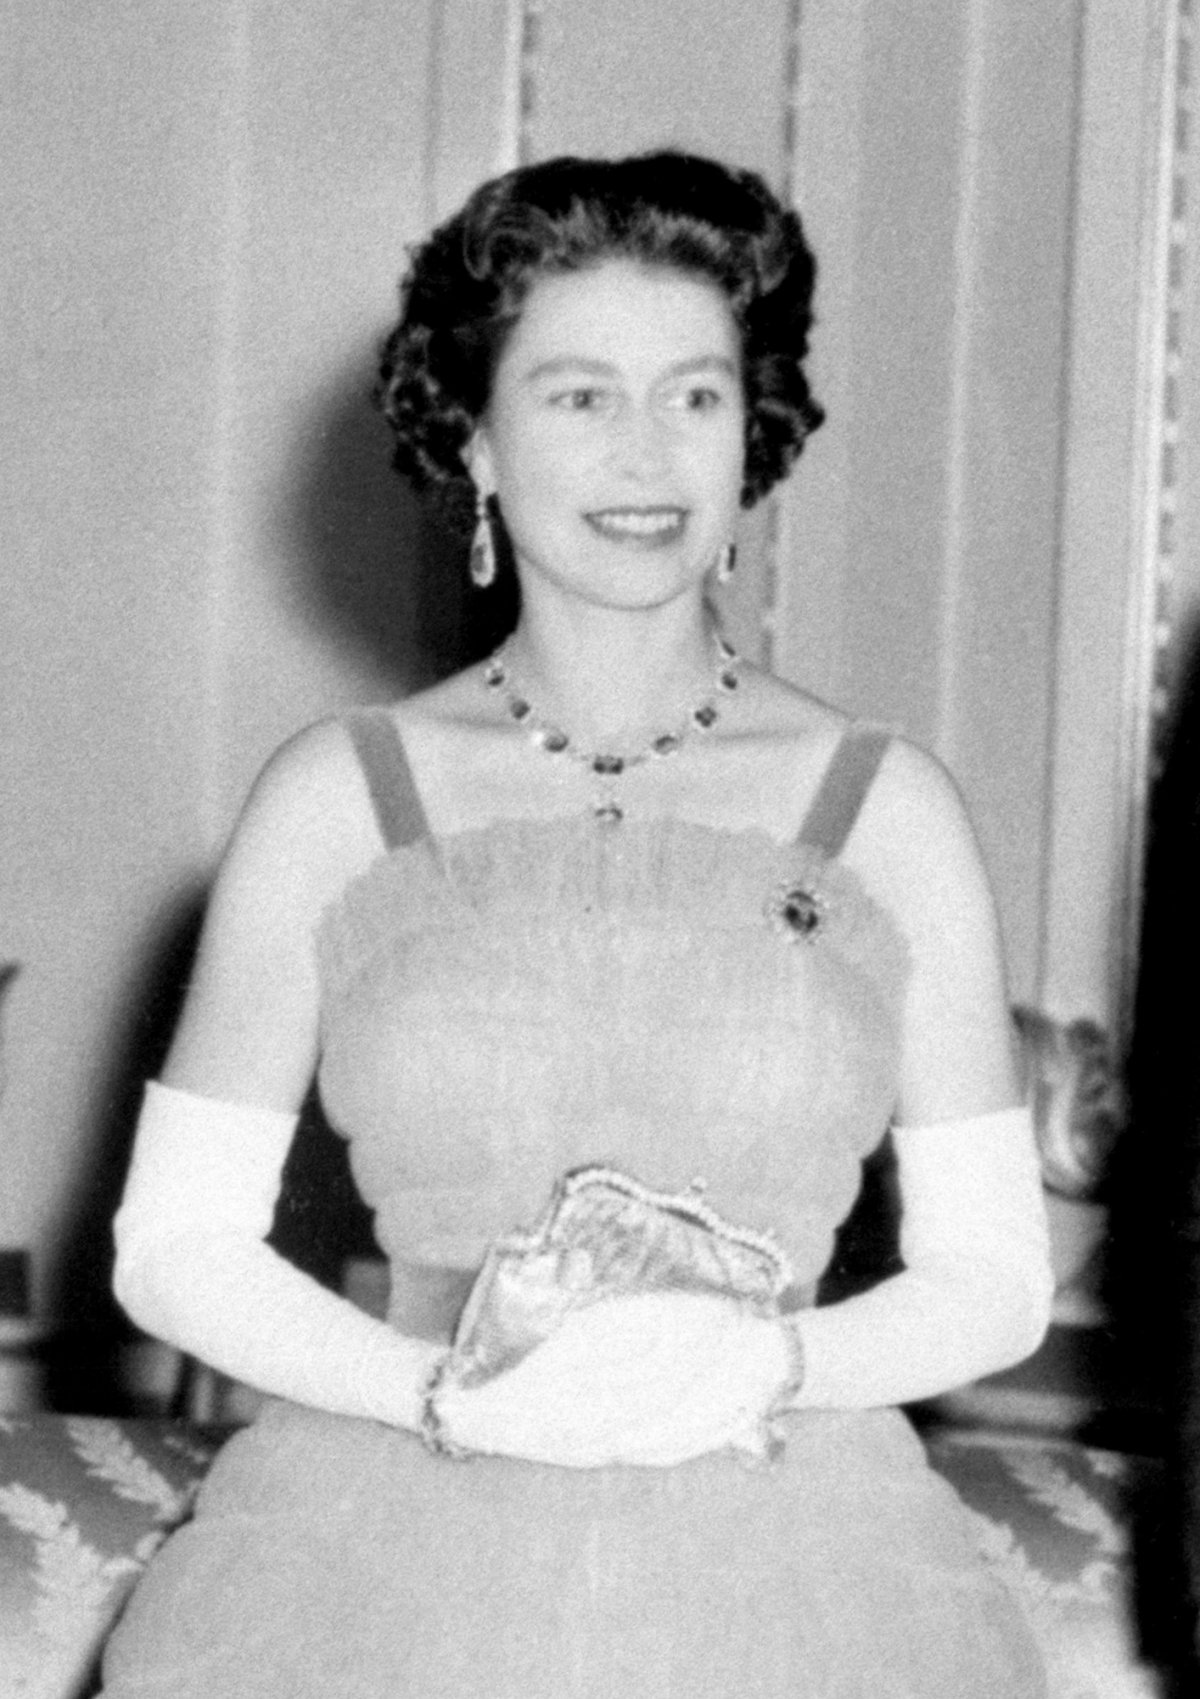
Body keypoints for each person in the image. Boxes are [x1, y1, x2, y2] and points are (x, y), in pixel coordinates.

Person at [100, 150, 1053, 1697]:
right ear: (472, 437)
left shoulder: (887, 808)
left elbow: (997, 1276)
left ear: (756, 436)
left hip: (801, 1575)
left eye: (694, 396)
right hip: (375, 1571)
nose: (647, 453)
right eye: (577, 396)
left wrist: (770, 1362)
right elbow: (175, 1244)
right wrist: (441, 1397)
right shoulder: (341, 796)